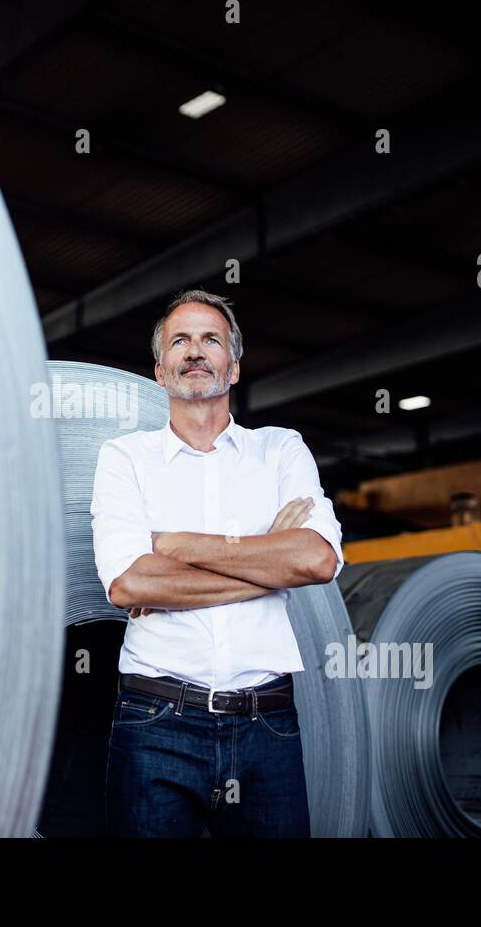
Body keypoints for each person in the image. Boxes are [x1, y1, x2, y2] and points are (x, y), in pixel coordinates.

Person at [90, 288, 343, 837]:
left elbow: (316, 560)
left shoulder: (281, 450)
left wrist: (174, 544)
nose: (195, 351)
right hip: (155, 721)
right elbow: (129, 583)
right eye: (180, 340)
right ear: (160, 371)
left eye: (211, 339)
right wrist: (267, 566)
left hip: (267, 725)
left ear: (234, 365)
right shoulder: (124, 459)